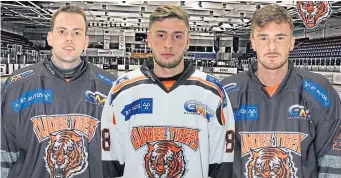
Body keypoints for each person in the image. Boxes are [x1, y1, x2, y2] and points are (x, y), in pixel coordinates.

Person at [101, 4, 234, 178]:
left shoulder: (212, 92)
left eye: (177, 36)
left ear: (187, 41)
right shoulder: (123, 90)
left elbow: (221, 166)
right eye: (161, 35)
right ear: (149, 39)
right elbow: (112, 163)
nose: (168, 44)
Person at [221, 4, 341, 178]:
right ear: (253, 42)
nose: (272, 47)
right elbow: (217, 161)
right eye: (263, 38)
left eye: (280, 38)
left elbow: (333, 160)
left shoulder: (319, 91)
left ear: (292, 42)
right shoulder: (228, 92)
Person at [0, 5, 116, 178]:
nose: (69, 38)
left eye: (77, 33)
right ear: (50, 38)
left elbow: (118, 157)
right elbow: (4, 155)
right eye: (62, 31)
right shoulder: (17, 86)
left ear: (86, 41)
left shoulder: (111, 88)